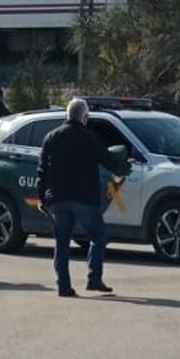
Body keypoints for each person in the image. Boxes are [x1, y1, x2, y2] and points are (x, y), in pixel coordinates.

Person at [37, 97, 128, 297]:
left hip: (58, 198)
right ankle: (94, 278)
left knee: (62, 242)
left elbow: (42, 170)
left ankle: (63, 285)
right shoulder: (89, 137)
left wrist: (41, 198)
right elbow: (107, 159)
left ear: (67, 115)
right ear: (85, 118)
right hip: (84, 197)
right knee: (98, 236)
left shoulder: (51, 137)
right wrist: (122, 169)